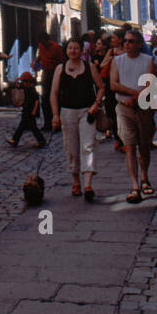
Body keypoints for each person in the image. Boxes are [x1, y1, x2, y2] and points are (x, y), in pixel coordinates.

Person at [50, 38, 104, 201]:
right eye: (70, 48)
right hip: (67, 112)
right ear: (66, 51)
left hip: (86, 112)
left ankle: (87, 185)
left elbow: (101, 87)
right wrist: (55, 115)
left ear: (81, 51)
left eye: (76, 48)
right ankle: (76, 182)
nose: (73, 51)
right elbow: (54, 93)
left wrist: (96, 104)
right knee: (71, 149)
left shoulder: (89, 67)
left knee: (88, 146)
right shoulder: (60, 69)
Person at [110, 30, 156, 203]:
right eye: (125, 41)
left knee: (144, 147)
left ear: (139, 44)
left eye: (131, 41)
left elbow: (150, 83)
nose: (127, 44)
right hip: (123, 108)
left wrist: (137, 98)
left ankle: (144, 177)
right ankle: (134, 186)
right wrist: (131, 94)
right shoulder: (117, 61)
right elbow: (113, 84)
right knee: (129, 147)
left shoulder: (148, 60)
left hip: (143, 108)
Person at [6, 70, 47, 148]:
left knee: (24, 127)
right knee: (31, 127)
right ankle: (41, 140)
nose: (23, 83)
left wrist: (34, 110)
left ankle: (15, 140)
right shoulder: (26, 88)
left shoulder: (32, 90)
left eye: (24, 82)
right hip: (27, 110)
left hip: (30, 111)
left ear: (28, 82)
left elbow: (36, 101)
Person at [100, 31, 123, 150]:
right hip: (110, 85)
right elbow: (102, 65)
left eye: (113, 38)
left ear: (120, 39)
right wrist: (109, 60)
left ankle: (124, 139)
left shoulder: (126, 52)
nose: (111, 40)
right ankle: (118, 138)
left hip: (123, 84)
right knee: (112, 113)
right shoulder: (111, 51)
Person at [35, 28, 65, 114]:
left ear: (48, 40)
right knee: (45, 97)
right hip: (46, 73)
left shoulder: (56, 48)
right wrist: (36, 62)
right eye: (41, 43)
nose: (43, 44)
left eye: (44, 42)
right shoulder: (41, 46)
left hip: (55, 73)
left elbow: (61, 61)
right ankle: (47, 122)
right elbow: (40, 56)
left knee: (56, 96)